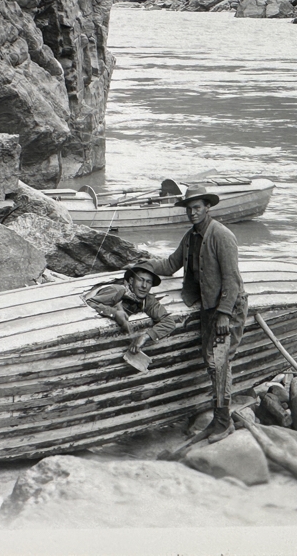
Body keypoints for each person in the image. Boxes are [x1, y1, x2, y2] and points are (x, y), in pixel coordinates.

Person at [145, 185, 248, 444]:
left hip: (228, 308)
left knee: (220, 363)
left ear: (207, 208)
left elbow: (232, 281)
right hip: (207, 306)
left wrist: (224, 314)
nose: (192, 213)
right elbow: (170, 265)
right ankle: (220, 416)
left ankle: (222, 422)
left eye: (197, 208)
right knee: (211, 361)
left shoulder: (221, 235)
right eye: (189, 209)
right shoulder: (191, 237)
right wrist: (142, 265)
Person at [85, 262, 175, 349]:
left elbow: (169, 323)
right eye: (140, 280)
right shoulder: (117, 291)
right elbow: (90, 302)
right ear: (132, 281)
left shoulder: (148, 300)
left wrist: (146, 336)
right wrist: (114, 313)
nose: (144, 286)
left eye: (148, 282)